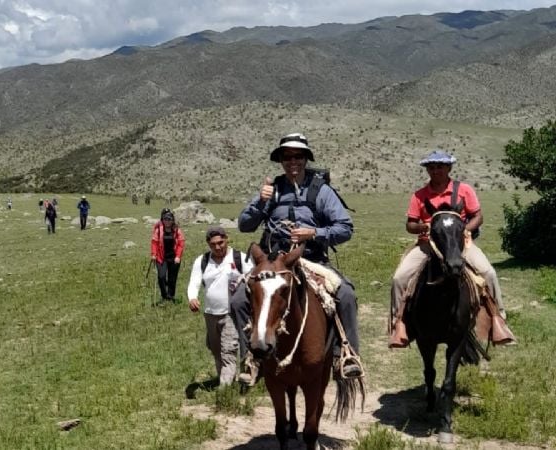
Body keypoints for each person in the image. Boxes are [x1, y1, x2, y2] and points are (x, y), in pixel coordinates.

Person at [237, 132, 363, 380]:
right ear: (281, 160)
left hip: (311, 260)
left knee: (346, 294)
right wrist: (260, 204)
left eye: (298, 156)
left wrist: (314, 233)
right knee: (238, 300)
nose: (292, 161)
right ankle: (251, 359)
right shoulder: (270, 191)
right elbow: (244, 225)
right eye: (287, 156)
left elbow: (345, 228)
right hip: (274, 263)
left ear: (306, 159)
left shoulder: (322, 192)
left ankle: (345, 354)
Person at [389, 149, 509, 347]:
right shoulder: (419, 195)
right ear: (427, 170)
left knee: (488, 273)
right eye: (432, 167)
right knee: (399, 278)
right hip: (429, 244)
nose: (436, 171)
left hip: (459, 242)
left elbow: (478, 216)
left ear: (449, 168)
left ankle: (498, 320)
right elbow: (410, 224)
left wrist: (464, 230)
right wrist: (423, 226)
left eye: (440, 167)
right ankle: (398, 324)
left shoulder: (464, 190)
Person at [187, 226, 254, 385]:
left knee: (228, 351)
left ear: (227, 239)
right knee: (216, 349)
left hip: (230, 313)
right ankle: (223, 378)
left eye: (220, 242)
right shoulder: (202, 261)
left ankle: (225, 389)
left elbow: (254, 278)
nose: (217, 247)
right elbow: (194, 282)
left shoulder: (240, 258)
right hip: (210, 314)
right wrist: (192, 298)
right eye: (213, 244)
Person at [151, 208, 185, 304]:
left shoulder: (177, 230)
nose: (167, 221)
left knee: (172, 278)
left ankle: (170, 297)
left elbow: (181, 243)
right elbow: (154, 242)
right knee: (161, 277)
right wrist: (153, 254)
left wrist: (178, 256)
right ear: (162, 219)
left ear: (172, 220)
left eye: (169, 219)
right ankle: (164, 296)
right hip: (161, 257)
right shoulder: (158, 229)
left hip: (174, 258)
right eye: (165, 219)